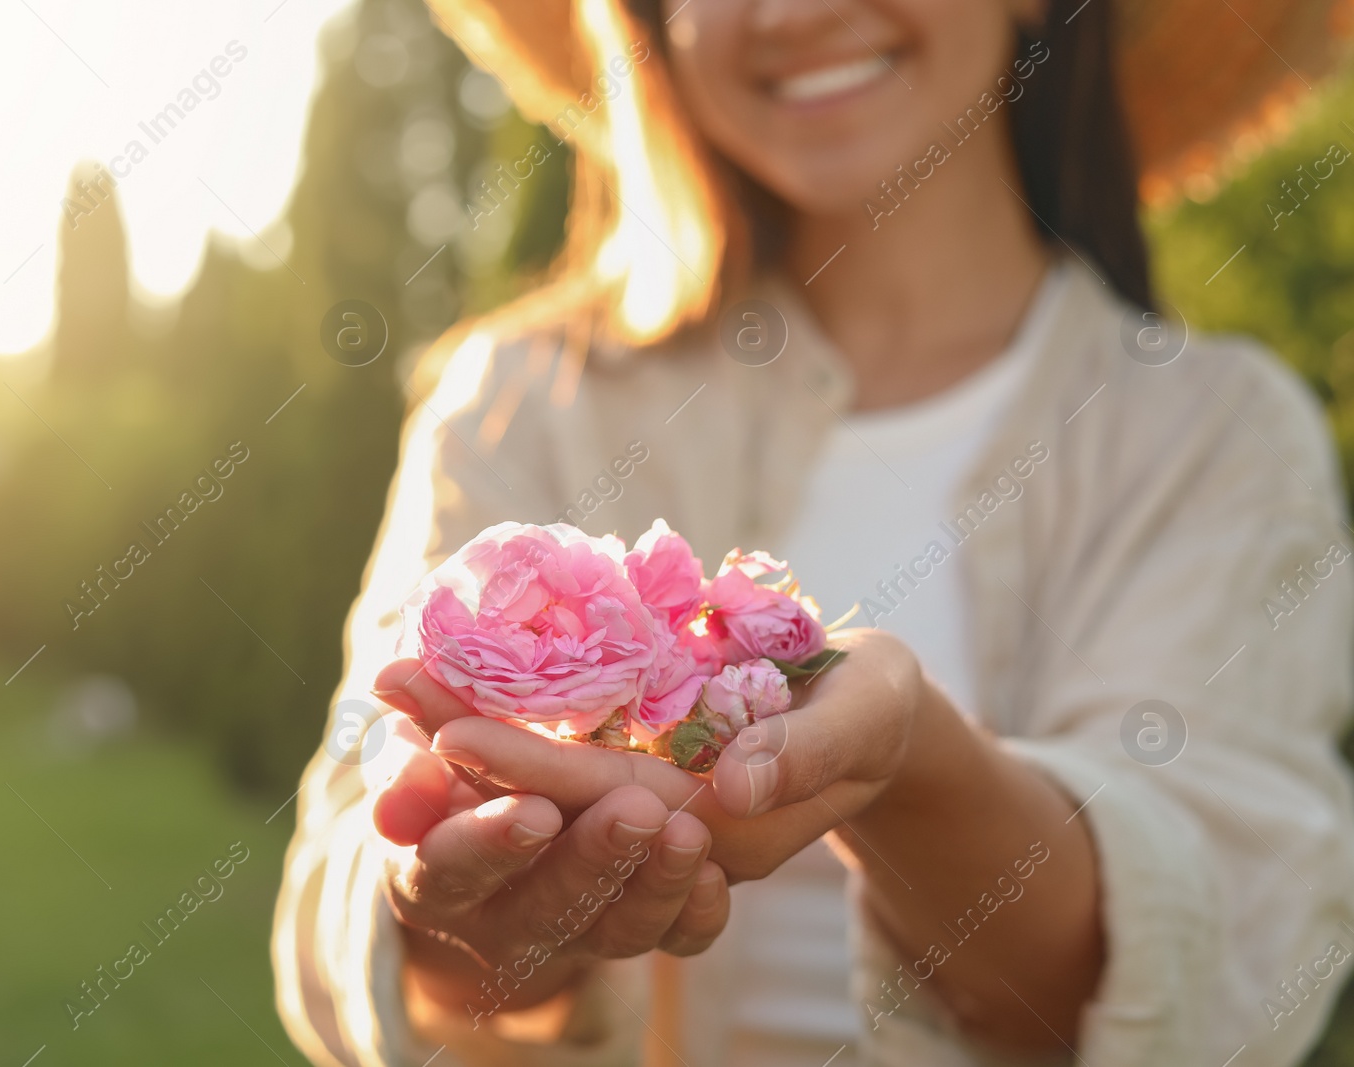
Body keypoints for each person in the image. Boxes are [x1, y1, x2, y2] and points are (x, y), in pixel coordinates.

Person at [274, 0, 1354, 1063]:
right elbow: (350, 865)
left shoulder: (1216, 437)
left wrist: (912, 762)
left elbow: (1205, 969)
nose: (789, 10)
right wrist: (463, 927)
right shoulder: (521, 398)